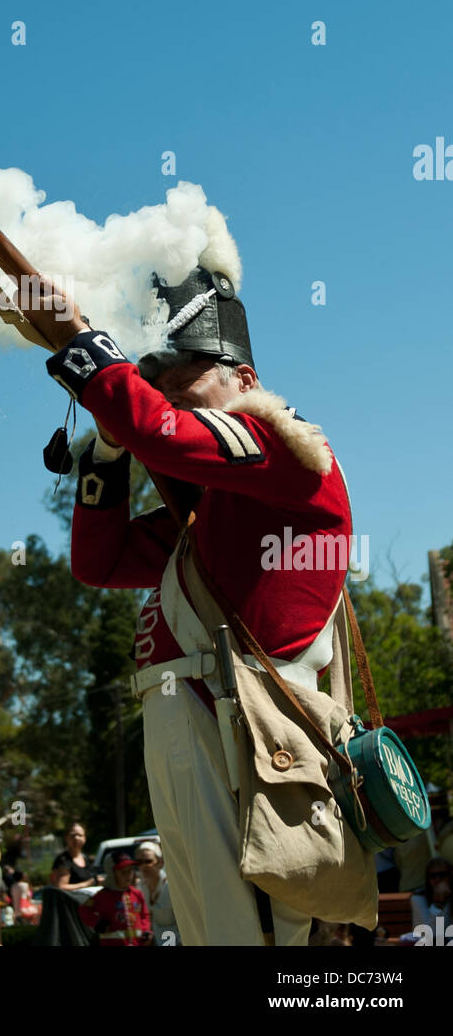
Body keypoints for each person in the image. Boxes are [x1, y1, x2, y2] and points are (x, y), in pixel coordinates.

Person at [30, 264, 370, 945]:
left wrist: (81, 342)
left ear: (245, 380)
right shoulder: (215, 513)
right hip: (188, 723)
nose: (170, 391)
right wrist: (106, 446)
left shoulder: (292, 447)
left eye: (188, 370)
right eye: (158, 379)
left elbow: (161, 432)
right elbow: (99, 563)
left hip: (248, 729)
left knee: (257, 931)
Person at [77, 853, 152, 946]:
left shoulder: (137, 894)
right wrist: (97, 923)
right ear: (112, 874)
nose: (128, 875)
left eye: (130, 871)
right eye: (123, 872)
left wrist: (146, 931)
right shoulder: (103, 896)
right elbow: (83, 910)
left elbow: (144, 915)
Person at [134, 842, 180, 945]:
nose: (143, 866)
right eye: (139, 862)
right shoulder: (140, 887)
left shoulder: (171, 887)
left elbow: (185, 922)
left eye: (148, 861)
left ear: (160, 862)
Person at [49, 824, 103, 893]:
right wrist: (87, 884)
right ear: (66, 838)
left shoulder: (86, 858)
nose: (76, 838)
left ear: (85, 838)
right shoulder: (63, 860)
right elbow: (61, 887)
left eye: (80, 835)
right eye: (73, 835)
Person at [410, 856, 453, 940]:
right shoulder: (418, 898)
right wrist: (438, 903)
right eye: (433, 876)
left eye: (442, 875)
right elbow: (429, 934)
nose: (438, 879)